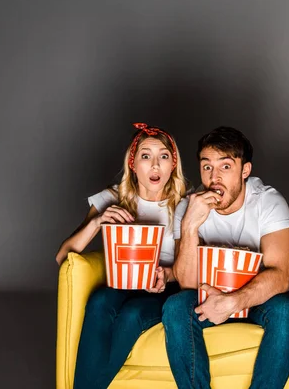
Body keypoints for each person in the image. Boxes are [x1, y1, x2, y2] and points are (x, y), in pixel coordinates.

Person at [162, 126, 289, 389]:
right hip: (207, 295)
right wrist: (190, 225)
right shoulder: (188, 207)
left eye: (225, 167)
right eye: (207, 167)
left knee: (287, 309)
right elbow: (187, 284)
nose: (214, 178)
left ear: (245, 170)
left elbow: (281, 275)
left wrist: (232, 302)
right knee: (177, 306)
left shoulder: (268, 202)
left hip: (257, 300)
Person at [55, 123, 189, 389]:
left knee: (131, 315)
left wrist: (167, 274)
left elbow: (186, 269)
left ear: (173, 165)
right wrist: (97, 223)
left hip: (163, 289)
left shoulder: (184, 204)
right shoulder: (113, 198)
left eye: (163, 156)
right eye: (145, 156)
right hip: (121, 284)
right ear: (133, 164)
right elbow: (63, 257)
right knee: (100, 301)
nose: (155, 166)